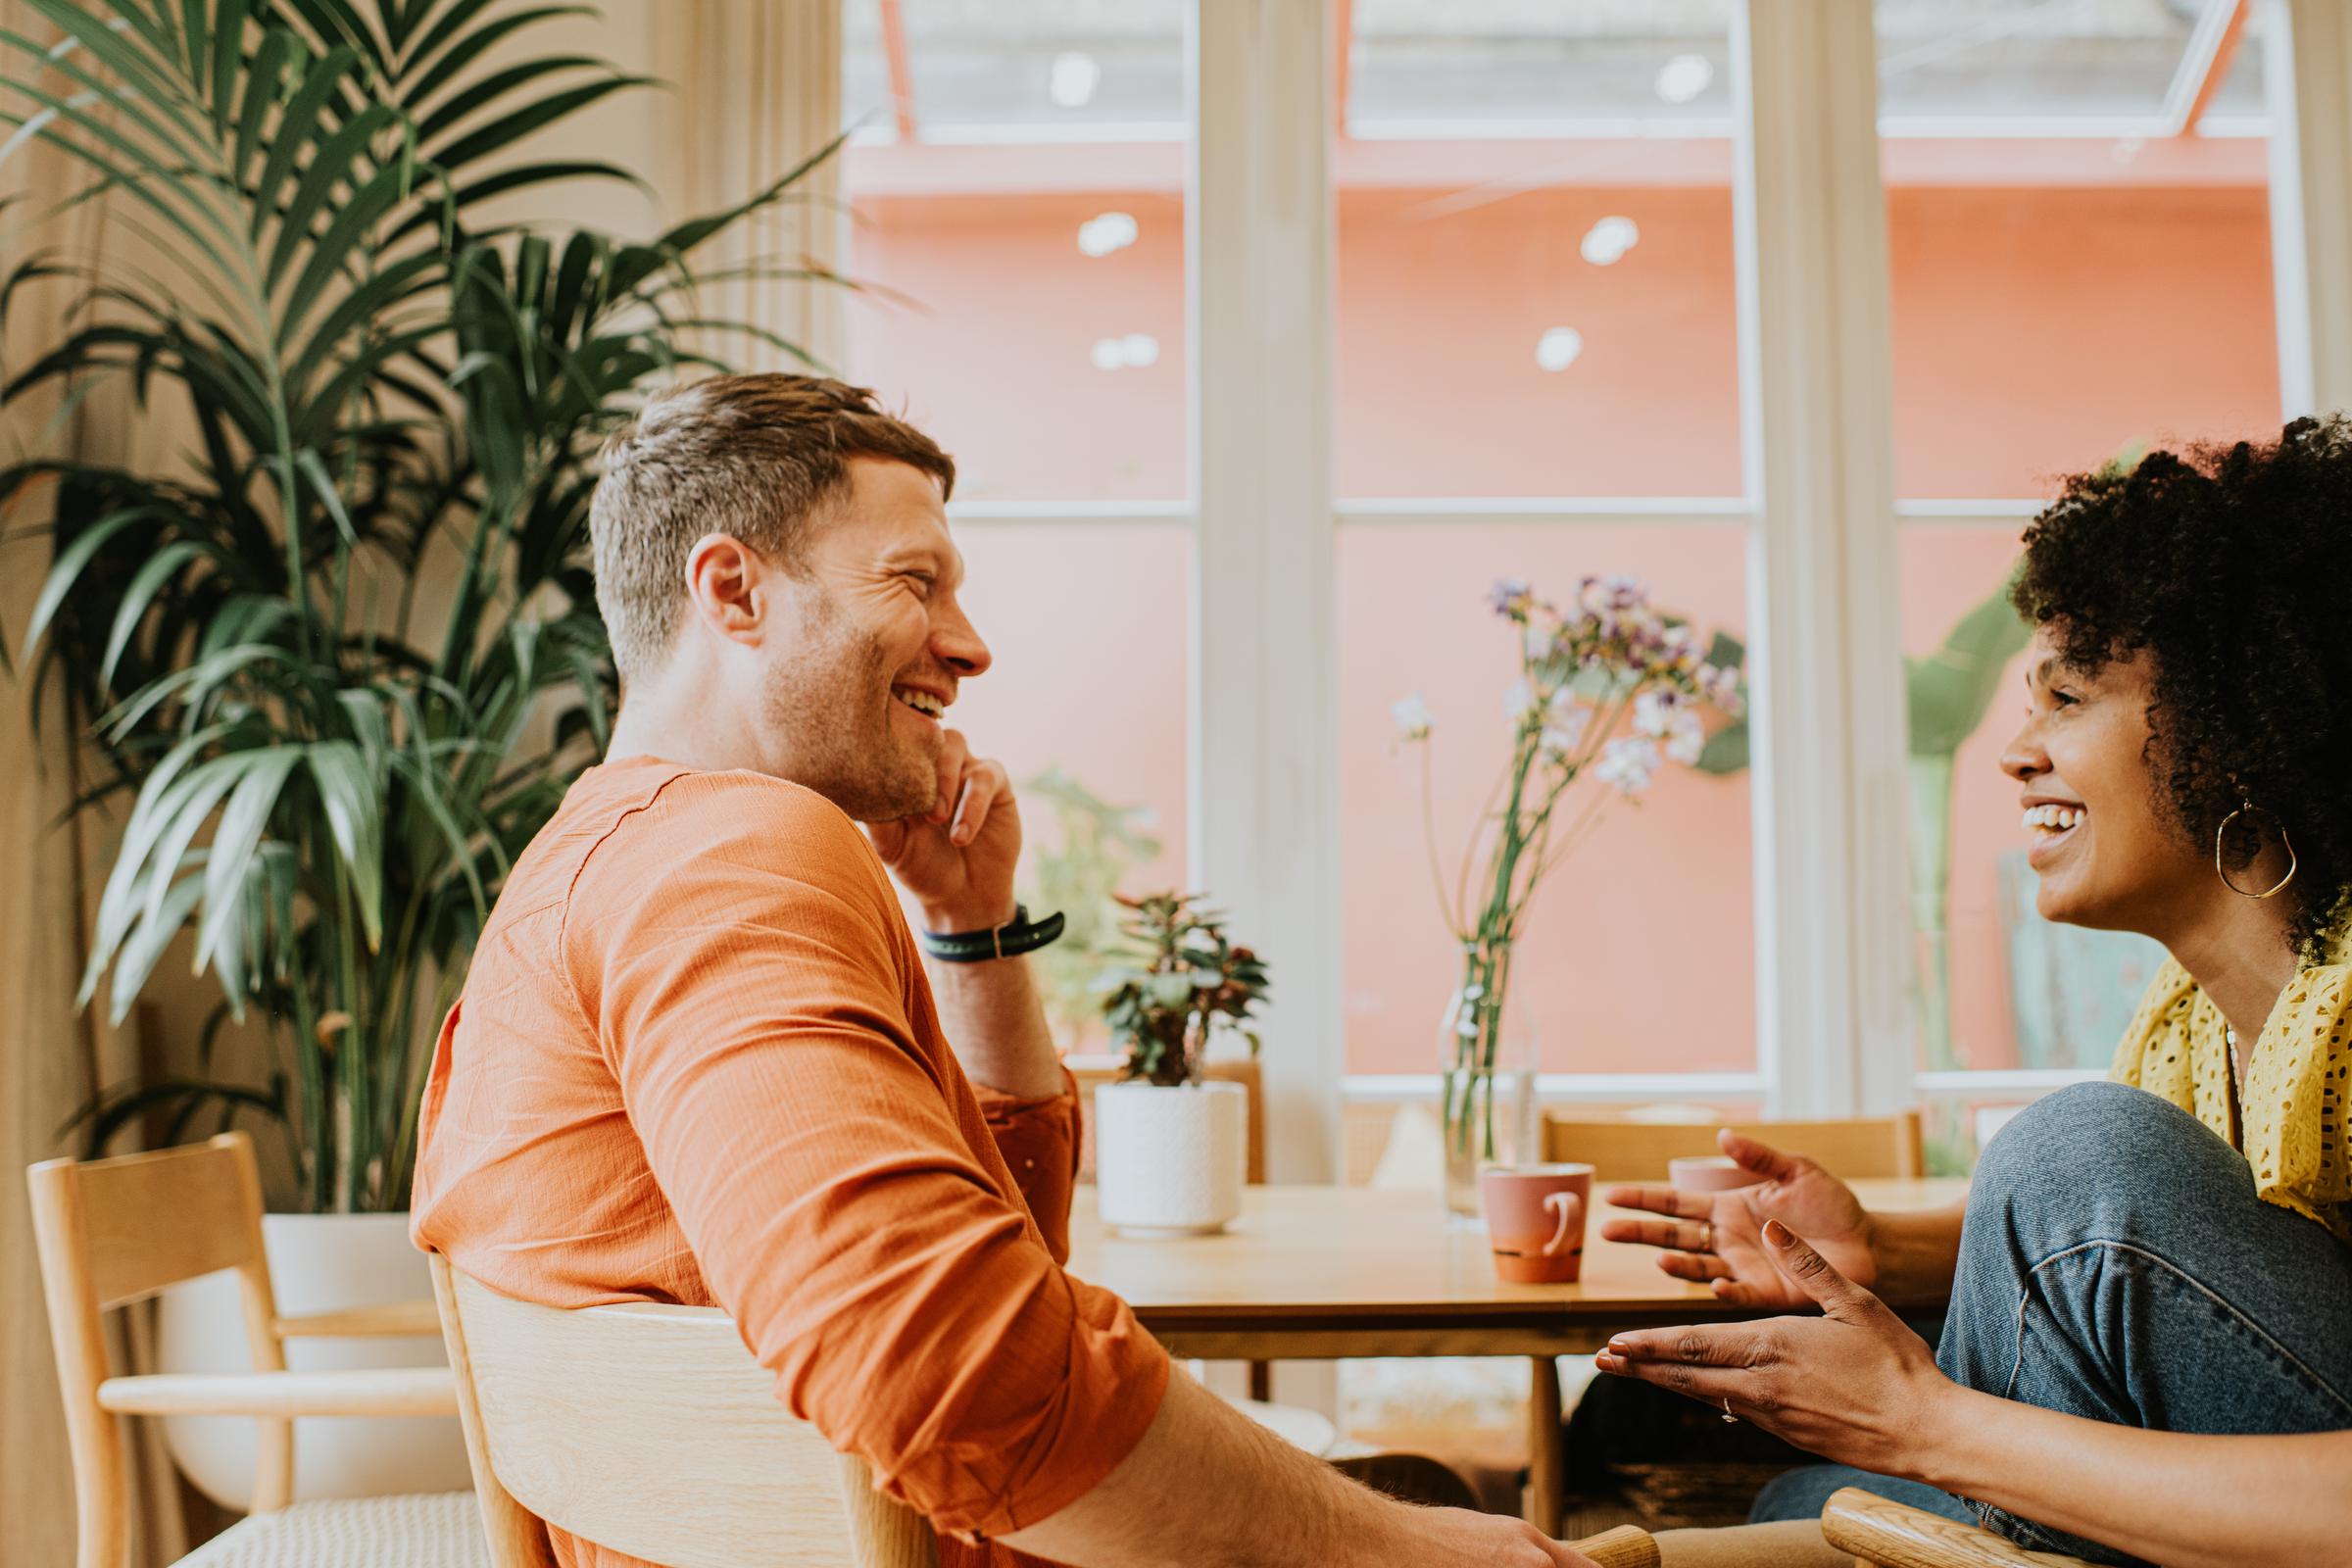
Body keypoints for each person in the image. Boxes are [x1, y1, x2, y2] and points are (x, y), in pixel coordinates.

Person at [409, 374, 1599, 1568]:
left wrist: (971, 933)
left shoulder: (587, 862)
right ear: (734, 590)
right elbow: (943, 1371)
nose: (970, 646)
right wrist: (1395, 1556)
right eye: (915, 582)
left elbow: (998, 1262)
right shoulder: (729, 852)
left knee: (1408, 1481)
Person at [1595, 418, 2352, 1567]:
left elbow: (2100, 1225)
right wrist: (1880, 1249)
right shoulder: (2189, 1018)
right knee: (1790, 1488)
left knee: (2073, 1155)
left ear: (2233, 729)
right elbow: (2180, 1272)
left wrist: (1935, 1427)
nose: (2014, 750)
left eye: (2067, 697)